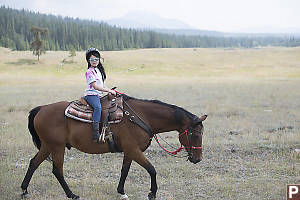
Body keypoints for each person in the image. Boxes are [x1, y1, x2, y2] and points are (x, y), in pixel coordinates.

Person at [84, 47, 116, 143]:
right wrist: (108, 90)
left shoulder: (98, 70)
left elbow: (101, 85)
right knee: (98, 107)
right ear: (89, 60)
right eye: (92, 59)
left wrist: (109, 90)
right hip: (91, 95)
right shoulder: (89, 72)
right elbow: (95, 86)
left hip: (99, 94)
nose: (94, 61)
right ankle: (95, 134)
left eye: (96, 59)